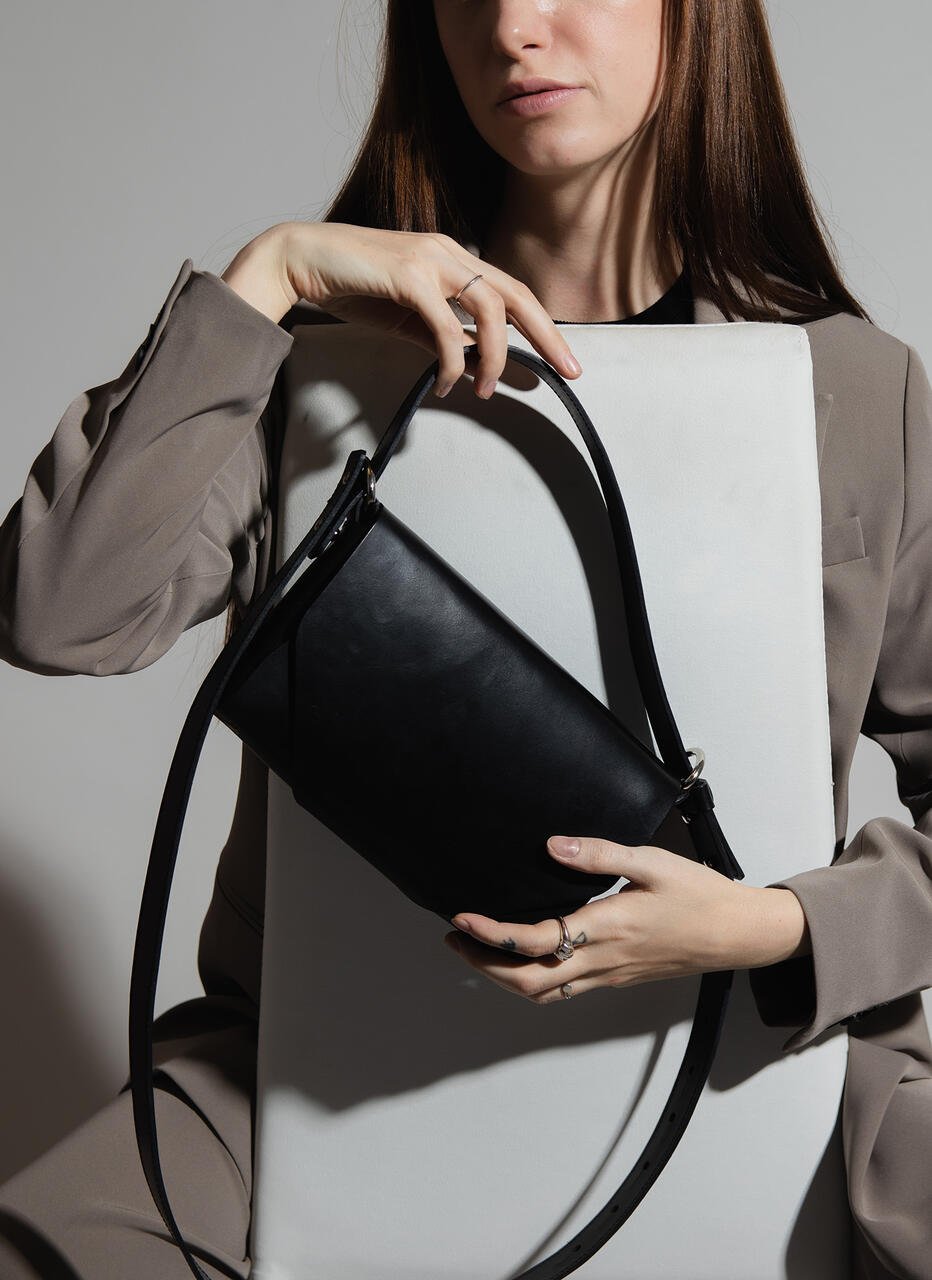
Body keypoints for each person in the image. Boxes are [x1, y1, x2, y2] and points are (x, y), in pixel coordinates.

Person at [0, 1, 929, 1276]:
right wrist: (267, 275)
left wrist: (773, 926)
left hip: (770, 1079)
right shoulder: (302, 364)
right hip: (308, 1086)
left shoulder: (852, 389)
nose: (511, 26)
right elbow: (58, 613)